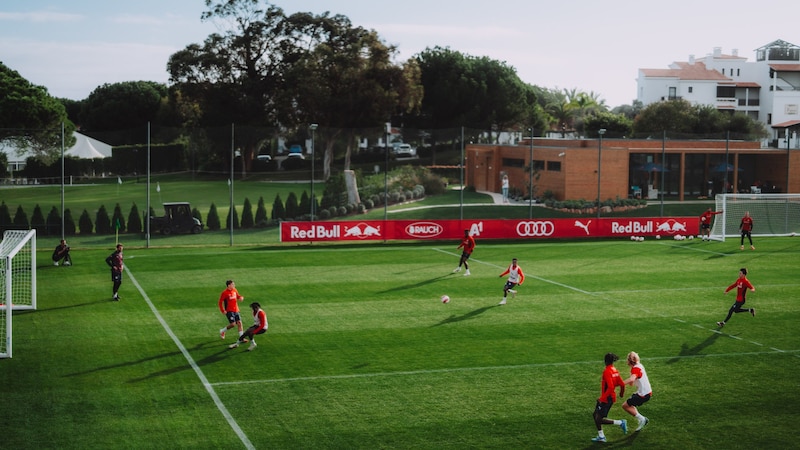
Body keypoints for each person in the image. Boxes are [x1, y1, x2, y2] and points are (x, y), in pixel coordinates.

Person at [592, 352, 628, 442]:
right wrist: (621, 393)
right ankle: (601, 436)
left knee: (598, 418)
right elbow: (622, 384)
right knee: (595, 415)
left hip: (607, 399)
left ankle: (620, 423)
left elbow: (611, 387)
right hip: (609, 397)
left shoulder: (607, 371)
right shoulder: (615, 370)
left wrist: (602, 398)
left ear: (605, 361)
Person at [621, 351, 651, 432]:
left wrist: (621, 384)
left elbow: (632, 378)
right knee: (630, 405)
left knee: (625, 406)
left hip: (643, 394)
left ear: (629, 361)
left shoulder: (635, 369)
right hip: (646, 392)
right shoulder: (639, 366)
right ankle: (641, 419)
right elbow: (634, 378)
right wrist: (631, 382)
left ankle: (642, 419)